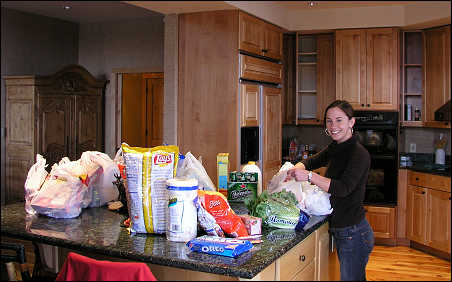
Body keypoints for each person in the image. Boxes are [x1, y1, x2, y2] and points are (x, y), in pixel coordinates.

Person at [285, 100, 374, 281]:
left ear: (351, 122)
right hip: (343, 229)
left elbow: (343, 188)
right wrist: (295, 169)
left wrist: (309, 176)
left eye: (339, 120)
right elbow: (313, 161)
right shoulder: (336, 147)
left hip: (354, 233)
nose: (333, 126)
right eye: (329, 121)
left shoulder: (359, 154)